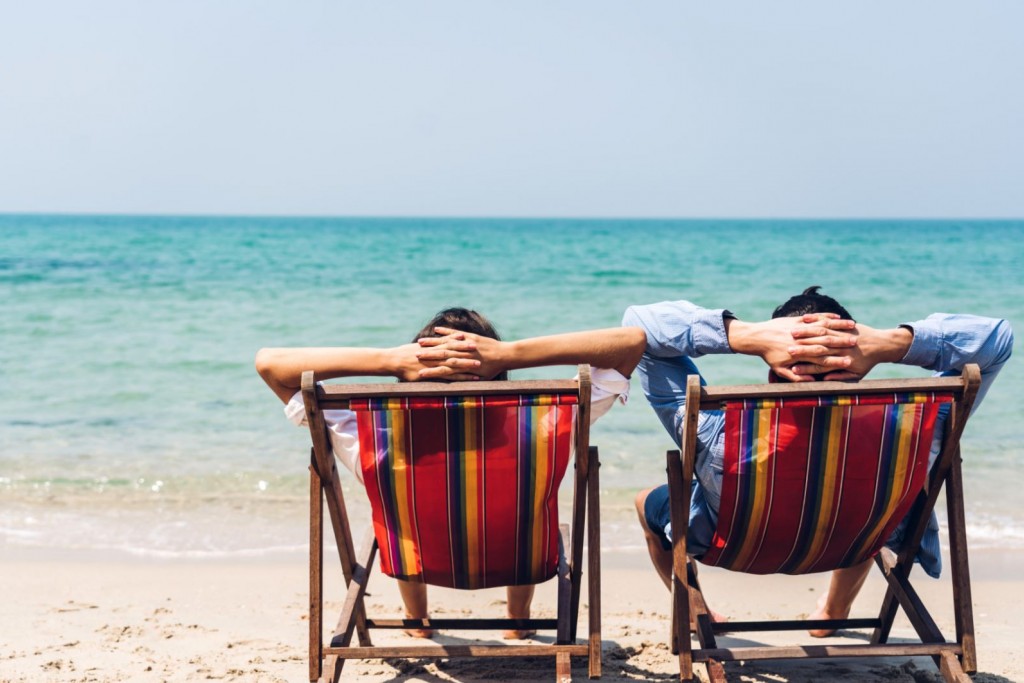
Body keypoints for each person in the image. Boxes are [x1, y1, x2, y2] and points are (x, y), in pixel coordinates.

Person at [624, 287, 1013, 635]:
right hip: (861, 539)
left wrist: (744, 336)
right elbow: (997, 339)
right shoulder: (915, 429)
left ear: (773, 367)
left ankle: (696, 614)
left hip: (734, 545)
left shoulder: (718, 435)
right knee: (868, 493)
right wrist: (892, 344)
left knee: (649, 503)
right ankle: (834, 610)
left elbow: (639, 328)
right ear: (857, 362)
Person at [255, 307, 647, 639]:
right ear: (495, 370)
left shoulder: (373, 441)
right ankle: (518, 621)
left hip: (416, 557)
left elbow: (270, 364)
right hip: (520, 557)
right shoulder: (546, 427)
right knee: (521, 509)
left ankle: (417, 620)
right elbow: (631, 343)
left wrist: (389, 360)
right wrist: (510, 354)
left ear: (411, 371)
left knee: (402, 516)